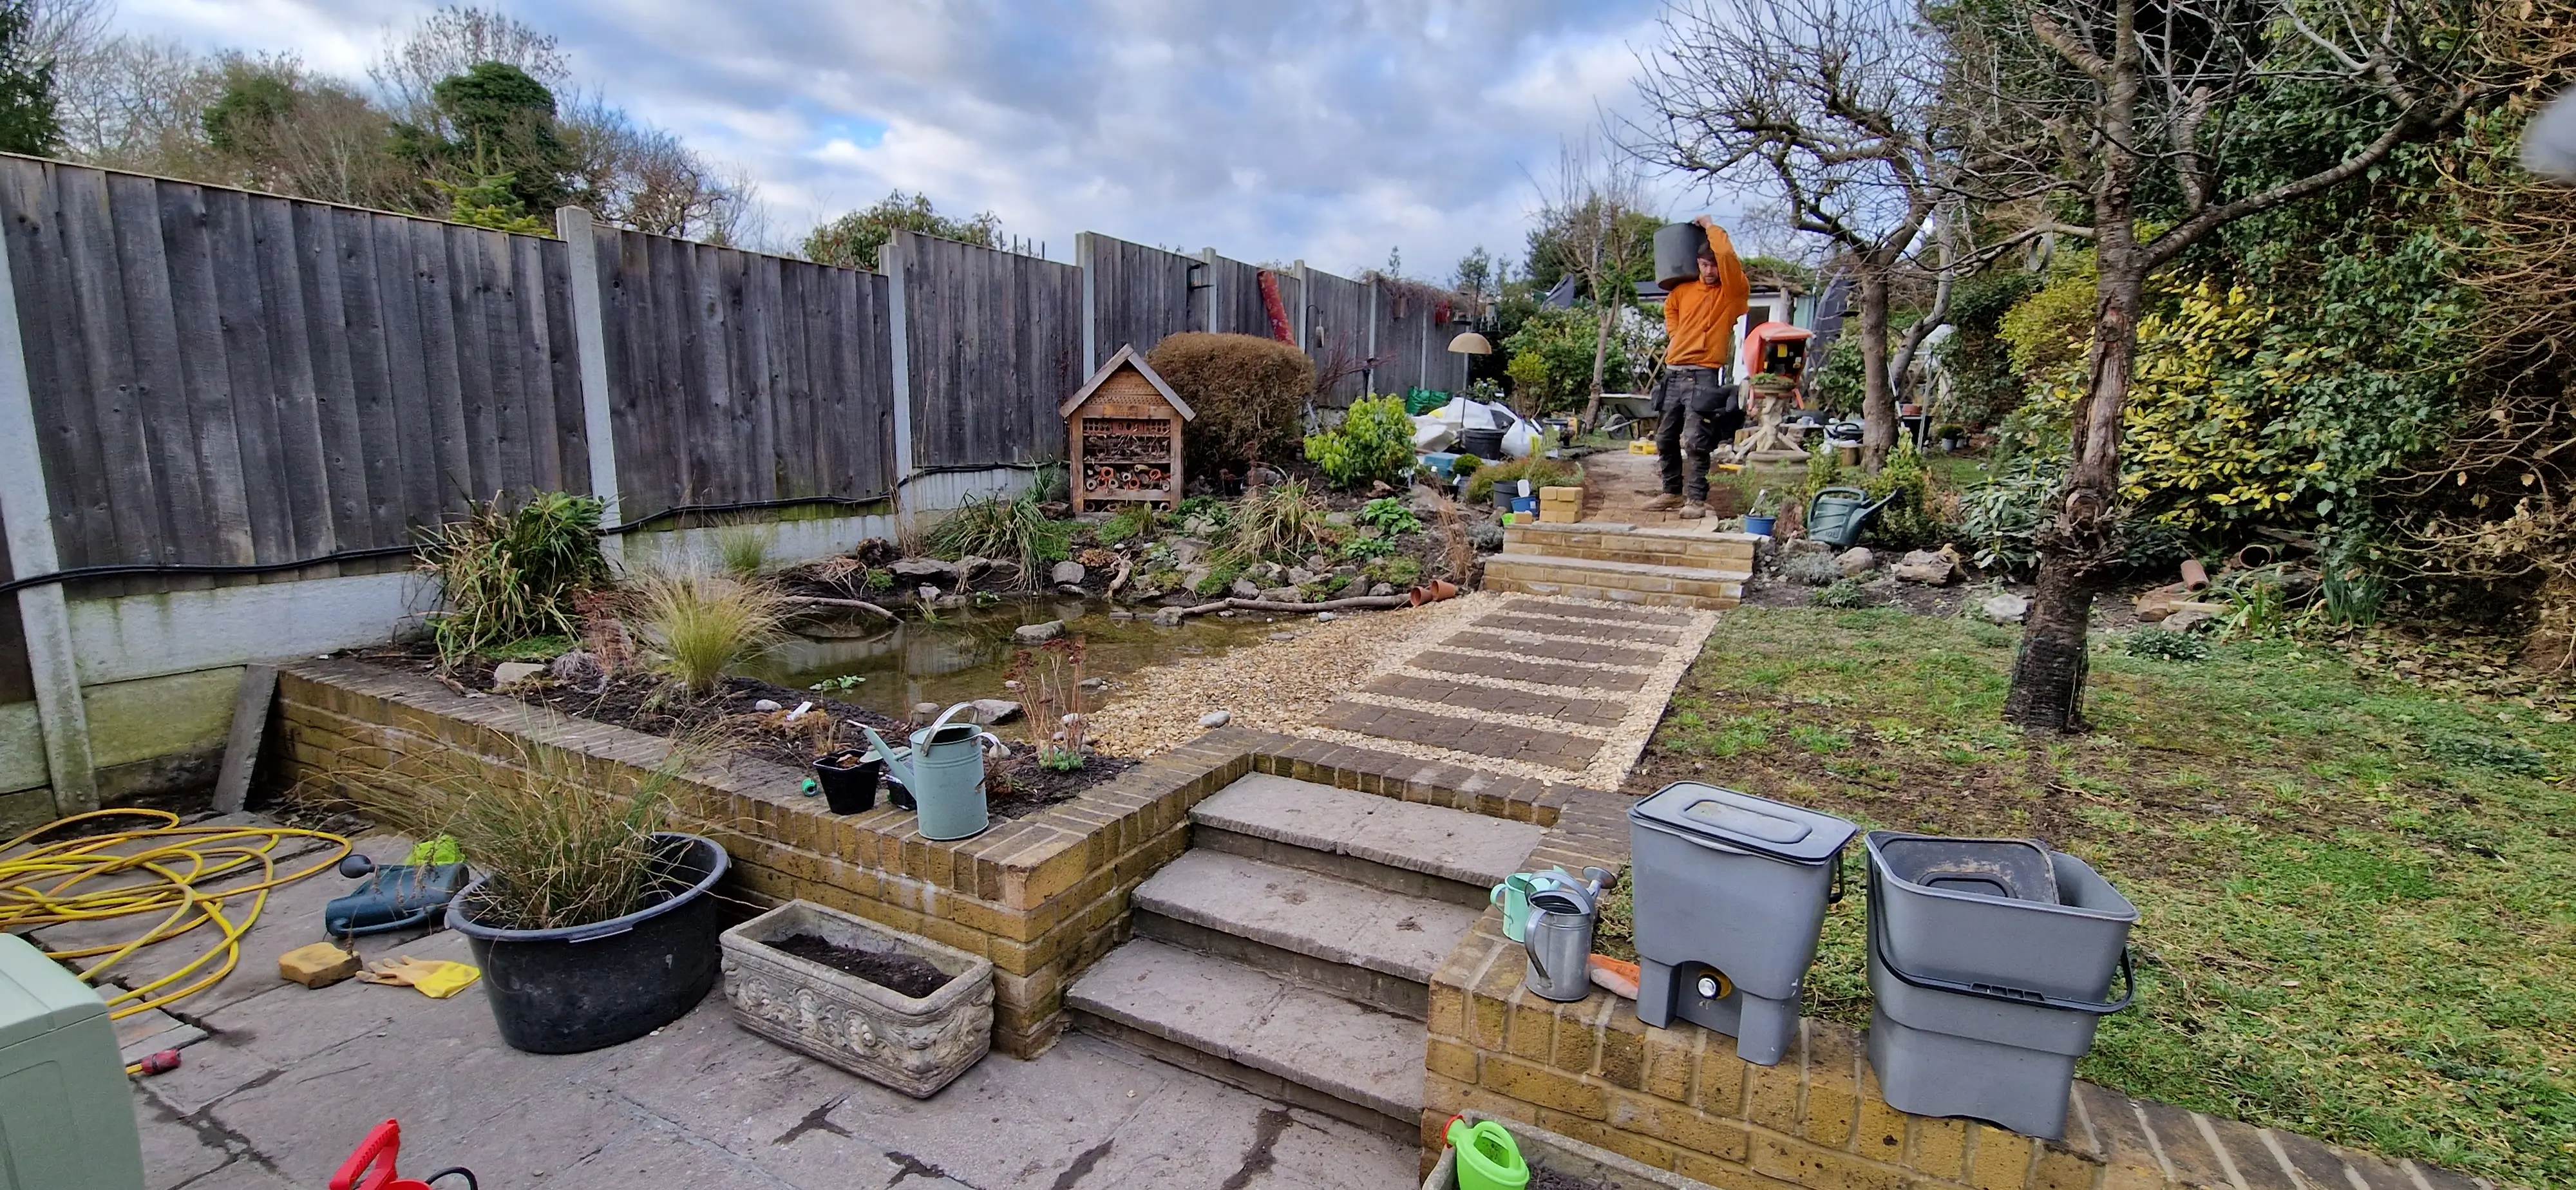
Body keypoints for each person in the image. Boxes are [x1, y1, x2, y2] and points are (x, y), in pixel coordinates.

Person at [1645, 216, 1750, 517]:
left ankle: (1696, 500)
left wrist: (1710, 226)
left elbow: (1728, 257)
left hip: (1703, 373)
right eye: (1704, 265)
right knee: (1665, 437)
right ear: (1698, 263)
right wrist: (1676, 334)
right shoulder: (1683, 290)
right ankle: (1671, 493)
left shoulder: (1732, 294)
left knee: (1696, 439)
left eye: (1714, 266)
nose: (1709, 271)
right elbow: (1671, 309)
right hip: (1675, 372)